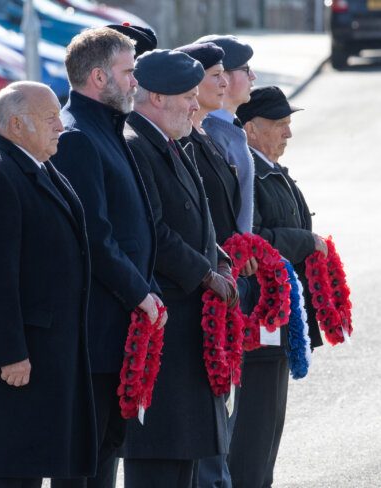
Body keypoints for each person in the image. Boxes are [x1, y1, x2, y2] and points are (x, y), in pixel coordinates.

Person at [0, 81, 97, 488]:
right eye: (50, 118)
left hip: (46, 355)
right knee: (7, 471)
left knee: (28, 466)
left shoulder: (35, 162)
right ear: (16, 123)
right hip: (17, 364)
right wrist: (9, 353)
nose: (60, 126)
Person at [50, 28, 165, 488]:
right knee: (86, 468)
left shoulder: (108, 126)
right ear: (99, 77)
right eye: (128, 71)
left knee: (105, 458)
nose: (136, 81)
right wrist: (141, 294)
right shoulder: (77, 136)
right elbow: (93, 236)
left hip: (119, 326)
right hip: (96, 333)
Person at [121, 48, 238, 488]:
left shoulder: (170, 137)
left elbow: (196, 218)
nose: (196, 104)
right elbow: (153, 230)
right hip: (168, 322)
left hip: (190, 325)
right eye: (188, 95)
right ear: (155, 97)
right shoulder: (136, 144)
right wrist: (205, 274)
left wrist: (219, 257)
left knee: (186, 461)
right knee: (162, 462)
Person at [227, 86, 326, 488]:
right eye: (280, 124)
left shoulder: (268, 167)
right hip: (260, 319)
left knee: (267, 432)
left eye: (289, 123)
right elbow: (254, 236)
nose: (288, 133)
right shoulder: (250, 171)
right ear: (250, 129)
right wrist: (306, 242)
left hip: (279, 319)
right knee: (253, 436)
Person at [175, 41, 258, 488]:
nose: (224, 82)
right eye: (214, 75)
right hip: (207, 283)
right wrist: (221, 264)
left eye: (228, 73)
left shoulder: (209, 135)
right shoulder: (191, 139)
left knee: (219, 400)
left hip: (227, 274)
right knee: (207, 407)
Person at [195, 34, 257, 236]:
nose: (253, 76)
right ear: (224, 76)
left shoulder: (227, 125)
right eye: (246, 70)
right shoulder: (211, 131)